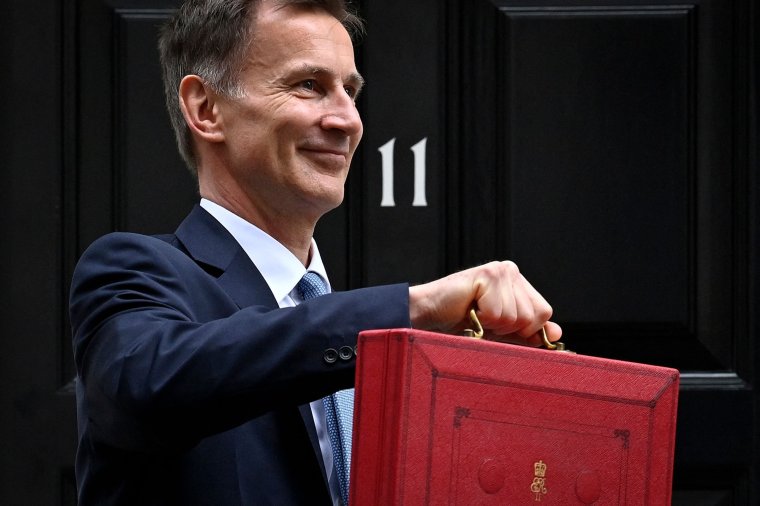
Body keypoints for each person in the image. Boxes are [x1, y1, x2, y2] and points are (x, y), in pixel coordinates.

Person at [68, 0, 562, 504]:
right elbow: (149, 387)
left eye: (351, 90)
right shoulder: (131, 270)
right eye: (309, 85)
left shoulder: (358, 330)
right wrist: (412, 310)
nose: (348, 121)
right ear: (205, 109)